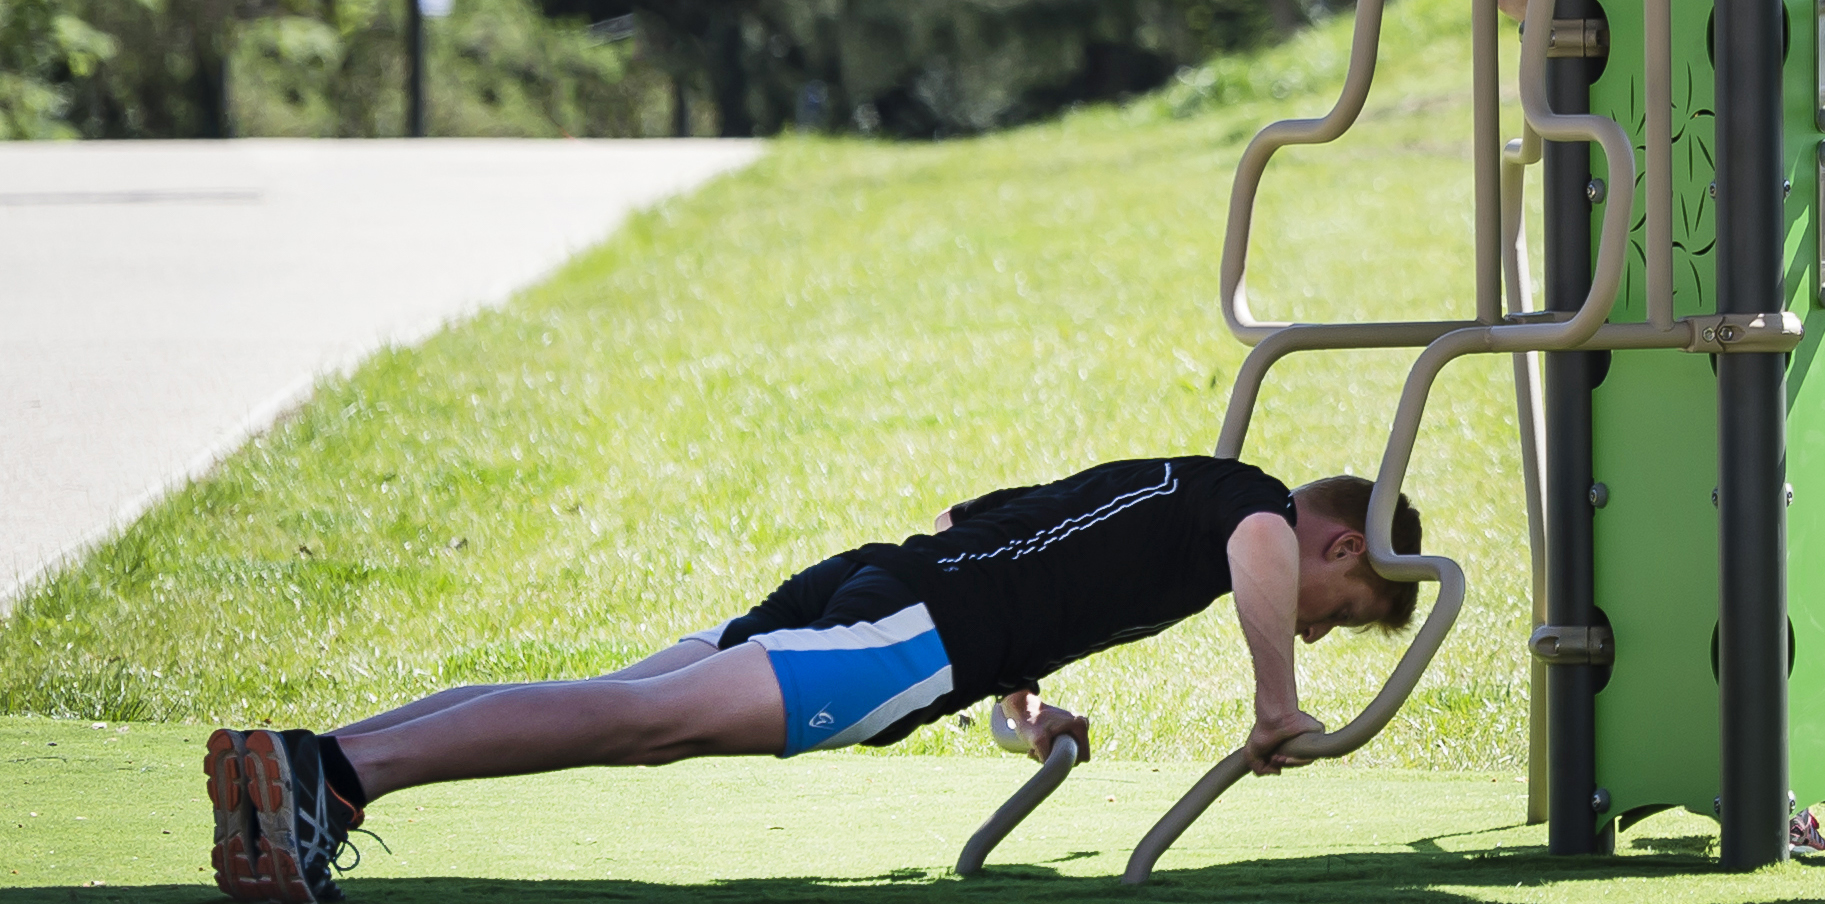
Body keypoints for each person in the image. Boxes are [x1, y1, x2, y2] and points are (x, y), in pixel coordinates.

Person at [202, 459, 1422, 903]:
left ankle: (313, 763)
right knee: (642, 724)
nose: (1316, 638)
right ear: (1341, 545)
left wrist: (1016, 703)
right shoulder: (1252, 514)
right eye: (1343, 617)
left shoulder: (1166, 492)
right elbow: (1264, 552)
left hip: (875, 581)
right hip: (910, 635)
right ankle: (335, 772)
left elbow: (1000, 533)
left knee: (628, 699)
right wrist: (1273, 699)